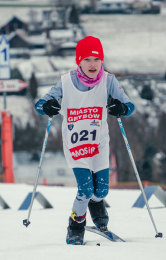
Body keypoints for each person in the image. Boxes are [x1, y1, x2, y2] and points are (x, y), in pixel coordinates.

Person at [35, 36, 134, 245]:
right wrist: (47, 106)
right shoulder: (66, 81)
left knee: (102, 190)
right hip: (75, 144)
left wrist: (121, 108)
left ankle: (96, 205)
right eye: (87, 59)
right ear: (78, 61)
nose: (92, 64)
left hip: (99, 142)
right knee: (86, 189)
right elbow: (41, 103)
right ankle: (76, 225)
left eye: (97, 59)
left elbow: (129, 106)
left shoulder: (109, 80)